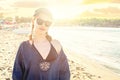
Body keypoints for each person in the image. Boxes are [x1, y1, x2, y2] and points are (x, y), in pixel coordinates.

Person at [12, 8, 70, 80]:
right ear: (33, 21)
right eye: (40, 21)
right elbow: (17, 73)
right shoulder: (24, 47)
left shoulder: (56, 45)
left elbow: (64, 72)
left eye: (47, 23)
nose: (43, 25)